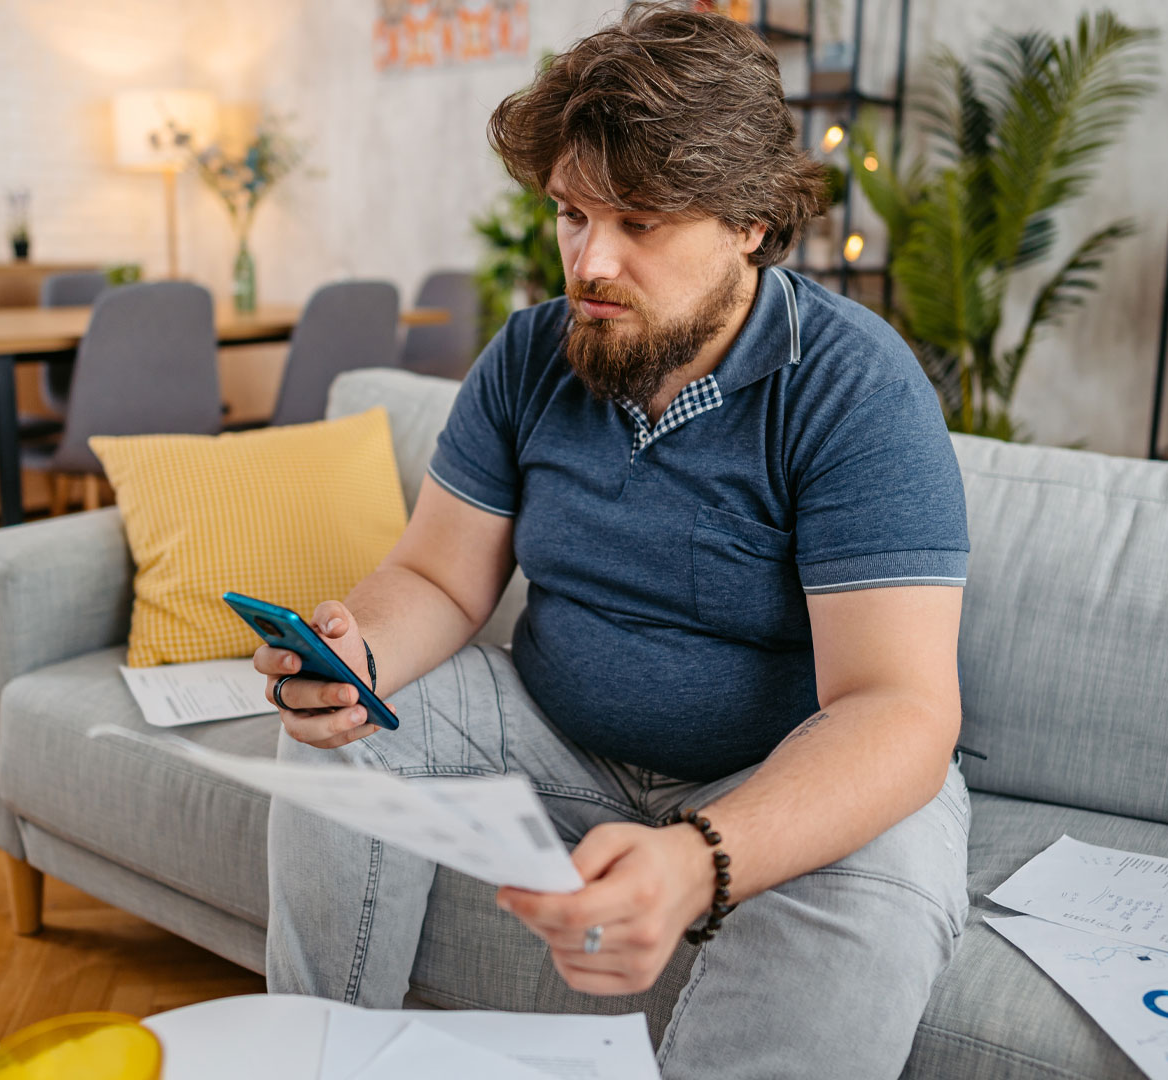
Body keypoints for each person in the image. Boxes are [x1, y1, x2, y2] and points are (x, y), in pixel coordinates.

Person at [256, 5, 970, 1076]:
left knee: (884, 885)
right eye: (571, 215)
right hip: (557, 741)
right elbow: (437, 581)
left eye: (638, 222)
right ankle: (313, 1055)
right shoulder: (535, 353)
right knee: (354, 734)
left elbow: (897, 706)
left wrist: (704, 859)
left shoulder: (854, 387)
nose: (589, 262)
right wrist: (357, 660)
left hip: (770, 776)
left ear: (750, 224)